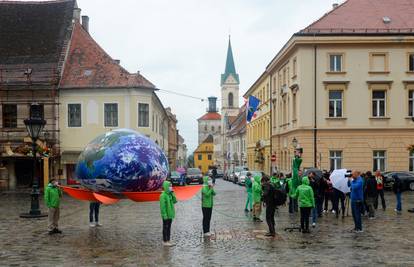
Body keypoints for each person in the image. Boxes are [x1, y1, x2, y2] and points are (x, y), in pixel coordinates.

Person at [159, 180, 177, 246]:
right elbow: (162, 207)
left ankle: (168, 240)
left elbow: (175, 201)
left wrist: (172, 193)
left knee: (169, 227)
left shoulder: (169, 194)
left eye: (171, 186)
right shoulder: (162, 195)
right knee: (165, 227)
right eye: (169, 186)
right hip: (166, 215)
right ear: (166, 186)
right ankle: (165, 241)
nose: (170, 187)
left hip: (170, 214)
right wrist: (164, 215)